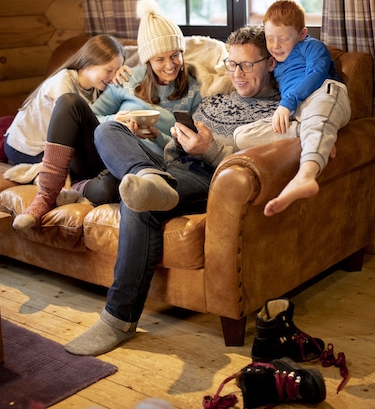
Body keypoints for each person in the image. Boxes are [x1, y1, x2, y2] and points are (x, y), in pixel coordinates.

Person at [63, 25, 279, 356]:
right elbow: (177, 143)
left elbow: (260, 159)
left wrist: (206, 149)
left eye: (247, 65)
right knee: (108, 129)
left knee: (139, 202)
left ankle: (117, 320)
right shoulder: (215, 100)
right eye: (232, 64)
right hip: (170, 165)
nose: (237, 73)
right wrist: (170, 139)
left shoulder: (277, 111)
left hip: (213, 178)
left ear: (271, 63)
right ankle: (147, 175)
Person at [12, 0, 203, 230]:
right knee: (69, 101)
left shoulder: (194, 91)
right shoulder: (129, 78)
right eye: (159, 59)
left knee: (111, 190)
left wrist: (157, 137)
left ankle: (77, 189)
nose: (170, 65)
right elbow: (89, 117)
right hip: (100, 151)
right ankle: (45, 197)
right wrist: (116, 121)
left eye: (175, 55)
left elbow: (190, 148)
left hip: (140, 165)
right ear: (148, 60)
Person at [233, 0, 351, 217]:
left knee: (317, 111)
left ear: (302, 34)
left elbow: (317, 73)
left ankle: (305, 176)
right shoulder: (275, 62)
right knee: (242, 135)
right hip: (301, 115)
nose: (275, 45)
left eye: (283, 39)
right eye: (270, 39)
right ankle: (318, 133)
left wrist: (287, 103)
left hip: (324, 93)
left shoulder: (312, 46)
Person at [4, 34, 125, 166]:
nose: (113, 77)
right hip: (24, 148)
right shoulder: (62, 83)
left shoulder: (97, 87)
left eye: (117, 71)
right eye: (109, 71)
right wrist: (113, 120)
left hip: (51, 144)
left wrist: (123, 77)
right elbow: (77, 128)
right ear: (89, 63)